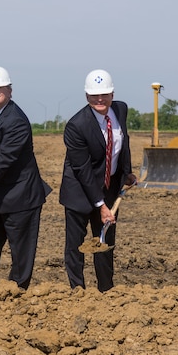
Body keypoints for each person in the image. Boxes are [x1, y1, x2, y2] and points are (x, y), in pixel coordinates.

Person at [0, 66, 51, 290]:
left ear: (10, 90)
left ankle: (17, 294)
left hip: (20, 197)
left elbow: (5, 160)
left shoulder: (16, 121)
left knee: (20, 251)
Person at [59, 69, 136, 292]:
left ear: (112, 94)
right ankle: (78, 290)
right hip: (79, 192)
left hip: (109, 187)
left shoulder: (120, 110)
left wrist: (126, 173)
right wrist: (101, 205)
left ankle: (106, 290)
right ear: (86, 96)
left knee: (105, 243)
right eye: (94, 95)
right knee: (76, 246)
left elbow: (124, 143)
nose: (100, 99)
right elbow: (82, 170)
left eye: (104, 94)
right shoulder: (76, 126)